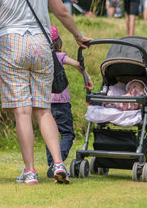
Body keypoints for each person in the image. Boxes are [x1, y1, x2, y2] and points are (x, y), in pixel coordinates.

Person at [0, 0, 92, 184]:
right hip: (42, 45)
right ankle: (58, 164)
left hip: (11, 44)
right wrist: (77, 36)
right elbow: (62, 12)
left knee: (22, 111)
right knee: (44, 110)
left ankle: (30, 171)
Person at [45, 26, 93, 179]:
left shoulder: (41, 57)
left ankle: (52, 164)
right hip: (62, 103)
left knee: (49, 134)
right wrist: (87, 78)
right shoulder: (60, 56)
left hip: (45, 104)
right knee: (67, 134)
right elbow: (78, 65)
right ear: (58, 41)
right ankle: (55, 164)